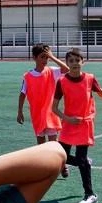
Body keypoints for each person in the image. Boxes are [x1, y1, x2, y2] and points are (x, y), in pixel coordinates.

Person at [51, 47, 102, 203]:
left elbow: (101, 92)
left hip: (85, 123)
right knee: (60, 156)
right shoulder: (61, 81)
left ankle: (90, 194)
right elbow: (54, 108)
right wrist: (67, 118)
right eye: (71, 61)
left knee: (81, 158)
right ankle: (83, 162)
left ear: (82, 62)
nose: (75, 63)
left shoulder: (90, 79)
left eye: (78, 60)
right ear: (67, 63)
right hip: (69, 124)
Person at [16, 44, 69, 178]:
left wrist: (52, 56)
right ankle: (45, 168)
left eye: (46, 57)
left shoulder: (52, 71)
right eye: (42, 57)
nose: (45, 60)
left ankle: (63, 165)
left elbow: (66, 69)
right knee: (41, 145)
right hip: (37, 115)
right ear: (34, 58)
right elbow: (22, 94)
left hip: (51, 113)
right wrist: (20, 111)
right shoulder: (28, 76)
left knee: (54, 142)